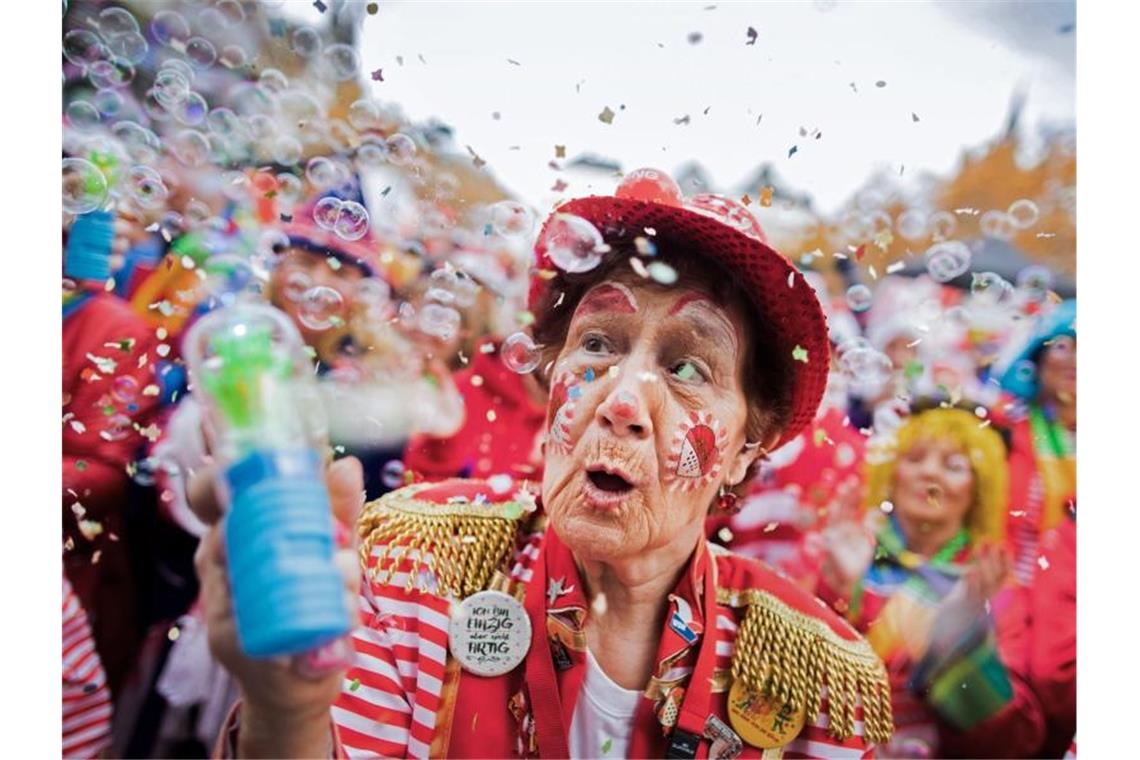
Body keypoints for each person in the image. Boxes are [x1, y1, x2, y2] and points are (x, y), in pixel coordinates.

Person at [190, 172, 895, 758]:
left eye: (687, 366)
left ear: (749, 445)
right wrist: (286, 715)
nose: (622, 400)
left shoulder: (813, 682)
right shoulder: (416, 567)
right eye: (598, 344)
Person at [817, 405, 1045, 757]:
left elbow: (1018, 741)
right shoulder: (849, 553)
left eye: (953, 466)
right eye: (915, 459)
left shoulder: (991, 583)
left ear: (978, 488)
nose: (930, 473)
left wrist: (959, 650)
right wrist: (836, 592)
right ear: (892, 473)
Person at [994, 299, 1076, 584]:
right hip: (1007, 601)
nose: (1077, 359)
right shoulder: (1002, 428)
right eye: (1065, 346)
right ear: (1038, 358)